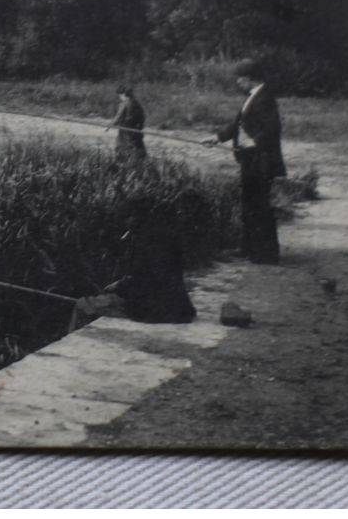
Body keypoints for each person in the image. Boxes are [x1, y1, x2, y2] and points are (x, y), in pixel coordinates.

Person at [206, 59, 285, 265]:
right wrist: (217, 137)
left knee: (260, 206)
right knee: (249, 204)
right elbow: (237, 123)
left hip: (262, 161)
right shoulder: (252, 97)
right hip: (250, 160)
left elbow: (273, 128)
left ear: (250, 79)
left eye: (240, 79)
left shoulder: (265, 98)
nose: (238, 83)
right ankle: (249, 248)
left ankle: (267, 254)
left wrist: (254, 141)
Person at [105, 195, 197, 323]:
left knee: (88, 308)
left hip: (154, 309)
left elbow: (144, 275)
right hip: (179, 307)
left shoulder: (143, 238)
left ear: (134, 216)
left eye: (126, 218)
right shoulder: (162, 231)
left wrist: (119, 284)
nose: (125, 223)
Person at [107, 84, 148, 160]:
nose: (120, 98)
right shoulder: (136, 103)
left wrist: (111, 124)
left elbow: (118, 116)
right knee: (137, 145)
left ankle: (122, 161)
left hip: (125, 129)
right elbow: (142, 116)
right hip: (136, 129)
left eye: (120, 96)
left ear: (123, 94)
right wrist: (140, 126)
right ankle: (142, 161)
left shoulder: (124, 104)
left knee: (121, 146)